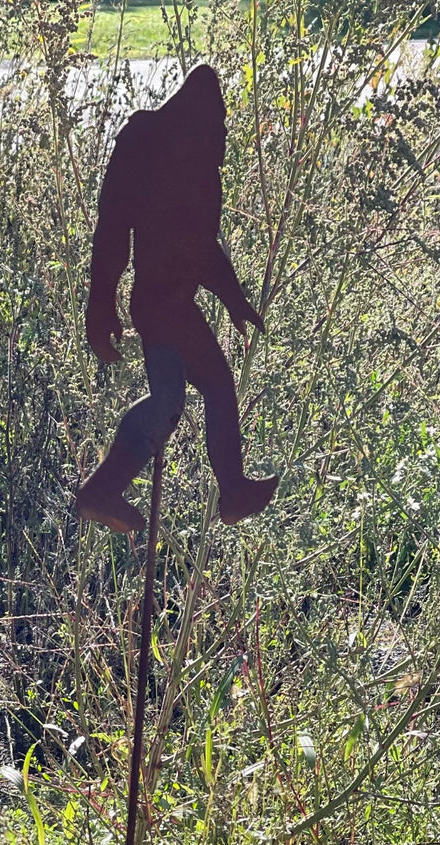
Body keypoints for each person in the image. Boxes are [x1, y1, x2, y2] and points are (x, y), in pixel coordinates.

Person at [75, 64, 278, 533]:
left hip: (173, 302)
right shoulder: (147, 144)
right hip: (159, 302)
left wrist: (233, 298)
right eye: (219, 122)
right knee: (176, 397)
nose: (224, 133)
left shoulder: (196, 167)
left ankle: (231, 491)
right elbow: (112, 228)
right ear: (196, 118)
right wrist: (100, 300)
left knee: (201, 389)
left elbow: (202, 247)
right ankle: (104, 491)